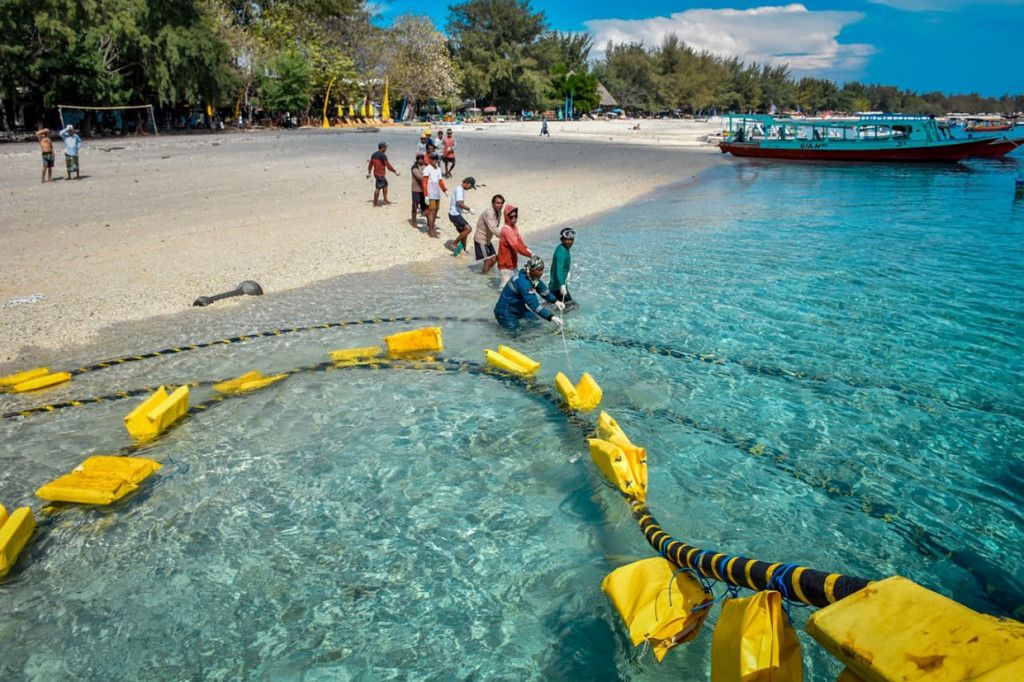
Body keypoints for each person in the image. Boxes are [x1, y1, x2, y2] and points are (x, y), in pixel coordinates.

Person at [493, 255, 564, 332]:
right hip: (506, 312)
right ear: (532, 270)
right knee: (516, 333)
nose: (542, 272)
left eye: (542, 269)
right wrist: (551, 317)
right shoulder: (524, 283)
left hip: (519, 308)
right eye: (539, 270)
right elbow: (534, 305)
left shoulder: (529, 275)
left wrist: (555, 301)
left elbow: (542, 289)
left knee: (535, 321)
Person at [497, 204, 533, 290]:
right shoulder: (506, 230)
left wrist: (529, 252)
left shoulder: (514, 228)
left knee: (516, 287)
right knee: (505, 289)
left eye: (515, 216)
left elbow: (520, 242)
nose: (514, 219)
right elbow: (516, 246)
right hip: (505, 267)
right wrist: (529, 255)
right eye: (511, 217)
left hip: (513, 265)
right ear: (506, 217)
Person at [445, 176, 476, 256]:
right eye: (470, 187)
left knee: (464, 233)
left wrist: (462, 210)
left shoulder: (460, 189)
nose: (470, 189)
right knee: (468, 229)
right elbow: (459, 203)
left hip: (455, 214)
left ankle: (462, 251)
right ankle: (454, 244)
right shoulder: (459, 190)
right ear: (467, 183)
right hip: (455, 215)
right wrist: (469, 209)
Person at [473, 194, 504, 274]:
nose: (500, 205)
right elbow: (493, 228)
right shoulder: (489, 213)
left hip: (488, 240)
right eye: (497, 203)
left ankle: (485, 272)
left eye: (501, 203)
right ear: (493, 203)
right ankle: (484, 278)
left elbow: (496, 225)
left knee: (494, 259)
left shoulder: (499, 212)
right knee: (487, 261)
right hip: (481, 239)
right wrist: (504, 237)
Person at [421, 152, 447, 238]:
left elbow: (440, 181)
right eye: (433, 159)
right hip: (430, 193)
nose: (435, 161)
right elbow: (424, 183)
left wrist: (444, 190)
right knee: (432, 212)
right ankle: (431, 230)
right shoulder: (427, 169)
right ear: (430, 159)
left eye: (436, 159)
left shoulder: (438, 169)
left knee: (436, 211)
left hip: (437, 194)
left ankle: (431, 226)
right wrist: (426, 195)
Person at [366, 141, 399, 207]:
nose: (386, 149)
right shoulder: (383, 156)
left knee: (385, 185)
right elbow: (388, 166)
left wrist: (369, 172)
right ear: (383, 148)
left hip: (376, 173)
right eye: (385, 147)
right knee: (378, 188)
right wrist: (395, 171)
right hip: (380, 174)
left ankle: (385, 200)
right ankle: (375, 203)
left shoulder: (374, 154)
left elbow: (370, 165)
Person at [549, 227, 576, 306]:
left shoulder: (564, 249)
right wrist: (562, 285)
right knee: (572, 306)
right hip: (557, 287)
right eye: (567, 239)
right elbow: (559, 269)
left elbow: (563, 265)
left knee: (561, 306)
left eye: (571, 239)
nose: (570, 242)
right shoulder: (561, 251)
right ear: (561, 240)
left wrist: (567, 272)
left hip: (559, 285)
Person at [410, 153, 427, 228]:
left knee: (426, 207)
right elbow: (420, 177)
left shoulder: (426, 166)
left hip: (424, 190)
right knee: (415, 206)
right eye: (419, 159)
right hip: (416, 190)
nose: (420, 160)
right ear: (416, 160)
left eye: (421, 158)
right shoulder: (414, 168)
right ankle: (414, 222)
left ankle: (429, 222)